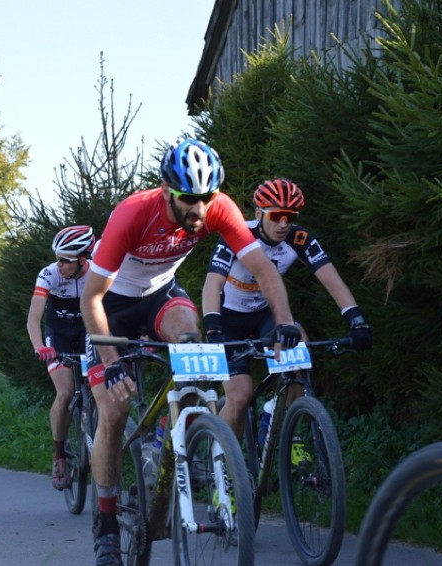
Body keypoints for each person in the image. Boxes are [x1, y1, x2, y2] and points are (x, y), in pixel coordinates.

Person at [80, 138, 301, 565]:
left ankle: (172, 437)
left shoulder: (218, 207)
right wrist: (110, 364)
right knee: (113, 411)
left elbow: (263, 269)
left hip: (161, 294)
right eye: (188, 199)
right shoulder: (133, 213)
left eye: (207, 197)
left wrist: (286, 320)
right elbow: (90, 298)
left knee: (190, 340)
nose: (199, 209)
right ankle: (106, 524)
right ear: (166, 191)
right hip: (110, 305)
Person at [201, 178, 373, 440]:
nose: (284, 223)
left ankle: (284, 428)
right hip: (229, 319)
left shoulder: (299, 238)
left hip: (264, 314)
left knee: (299, 346)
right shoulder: (237, 234)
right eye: (278, 215)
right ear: (259, 213)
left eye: (290, 216)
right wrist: (212, 327)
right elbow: (213, 283)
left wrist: (357, 320)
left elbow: (331, 279)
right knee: (239, 397)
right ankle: (225, 463)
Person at [26, 225, 95, 490]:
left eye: (66, 259)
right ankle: (59, 455)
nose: (60, 264)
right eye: (58, 258)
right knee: (65, 393)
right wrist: (39, 345)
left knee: (97, 386)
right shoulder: (49, 274)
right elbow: (33, 318)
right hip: (59, 335)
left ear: (82, 259)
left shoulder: (97, 273)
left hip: (88, 331)